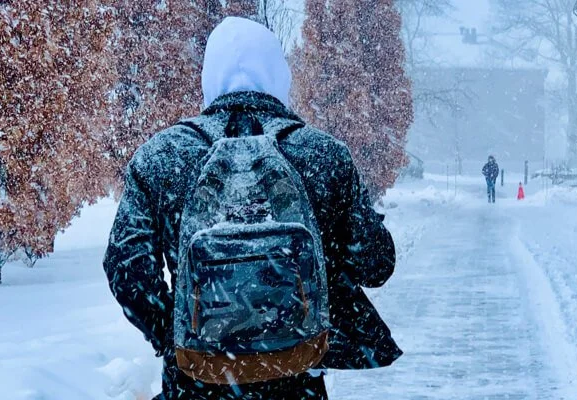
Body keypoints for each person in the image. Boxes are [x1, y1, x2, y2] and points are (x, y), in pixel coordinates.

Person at [102, 17, 401, 400]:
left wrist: (176, 334)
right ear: (279, 75)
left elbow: (126, 269)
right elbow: (376, 264)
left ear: (210, 77)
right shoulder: (324, 156)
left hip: (196, 383)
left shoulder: (161, 158)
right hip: (296, 378)